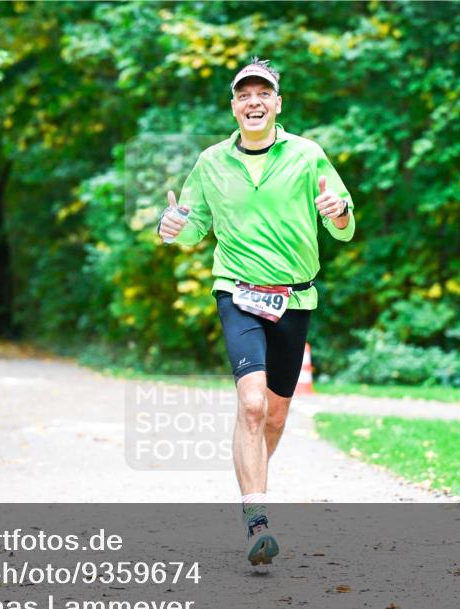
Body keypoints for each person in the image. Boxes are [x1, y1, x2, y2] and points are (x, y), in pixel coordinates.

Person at [158, 58, 356, 566]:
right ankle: (256, 519)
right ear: (233, 107)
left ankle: (252, 480)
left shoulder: (308, 155)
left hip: (295, 296)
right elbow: (193, 225)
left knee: (275, 413)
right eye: (244, 95)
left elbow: (343, 225)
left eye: (263, 94)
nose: (254, 102)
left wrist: (339, 213)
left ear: (277, 104)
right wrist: (172, 226)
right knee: (251, 404)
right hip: (238, 291)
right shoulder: (211, 162)